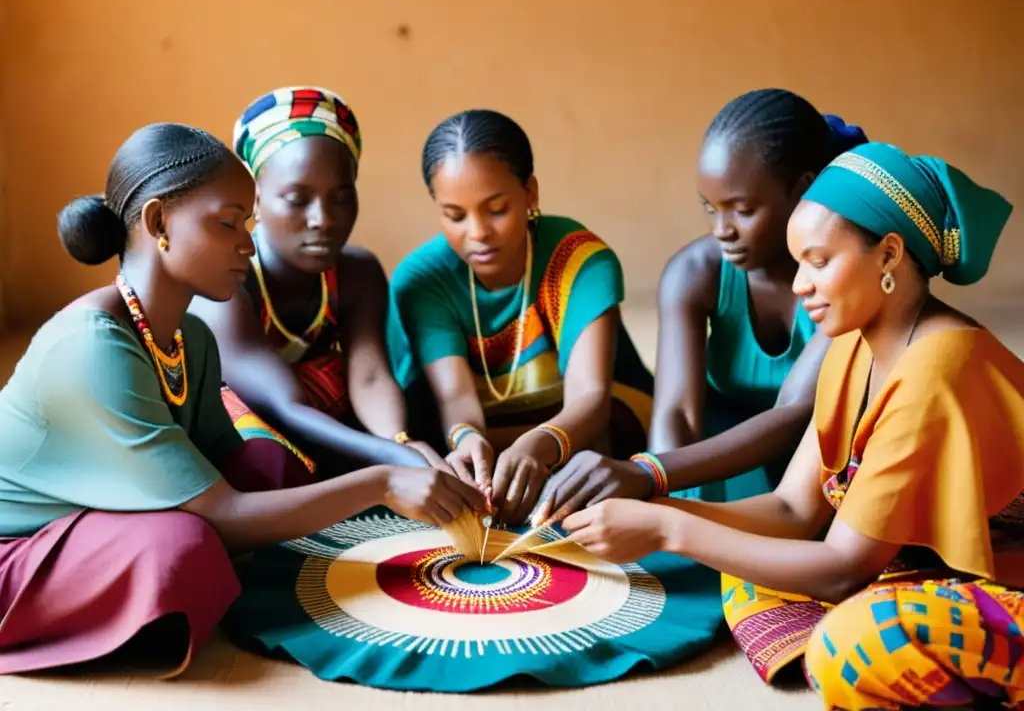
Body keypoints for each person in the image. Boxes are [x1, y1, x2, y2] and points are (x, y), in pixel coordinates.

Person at [0, 123, 484, 676]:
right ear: (159, 223)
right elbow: (223, 514)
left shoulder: (191, 338)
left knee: (270, 462)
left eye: (247, 224)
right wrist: (383, 480)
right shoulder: (92, 346)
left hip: (95, 522)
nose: (247, 244)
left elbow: (238, 470)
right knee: (183, 546)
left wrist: (396, 455)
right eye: (229, 223)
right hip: (19, 547)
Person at [561, 142, 1024, 709]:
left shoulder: (939, 366)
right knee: (746, 568)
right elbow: (793, 511)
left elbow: (841, 570)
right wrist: (649, 511)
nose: (800, 283)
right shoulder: (853, 343)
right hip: (918, 568)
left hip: (1005, 585)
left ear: (889, 255)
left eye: (819, 261)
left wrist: (665, 531)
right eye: (798, 261)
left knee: (851, 646)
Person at [540, 89, 869, 517]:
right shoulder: (694, 274)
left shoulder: (844, 280)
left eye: (742, 210)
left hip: (821, 458)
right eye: (709, 208)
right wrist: (659, 496)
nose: (722, 230)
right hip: (708, 462)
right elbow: (676, 413)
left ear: (803, 190)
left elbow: (795, 412)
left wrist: (648, 474)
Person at [387, 109, 655, 526]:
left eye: (496, 209)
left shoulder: (581, 261)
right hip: (483, 456)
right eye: (454, 216)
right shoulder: (422, 279)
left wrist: (539, 444)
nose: (477, 233)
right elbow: (455, 399)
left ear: (530, 193)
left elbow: (590, 399)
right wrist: (467, 438)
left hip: (583, 440)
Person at [190, 86, 442, 479]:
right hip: (261, 440)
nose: (323, 218)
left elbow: (371, 375)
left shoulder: (356, 273)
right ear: (254, 198)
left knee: (421, 403)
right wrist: (391, 460)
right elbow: (284, 405)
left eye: (341, 196)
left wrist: (400, 442)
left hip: (326, 437)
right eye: (297, 198)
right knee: (261, 454)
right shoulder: (227, 283)